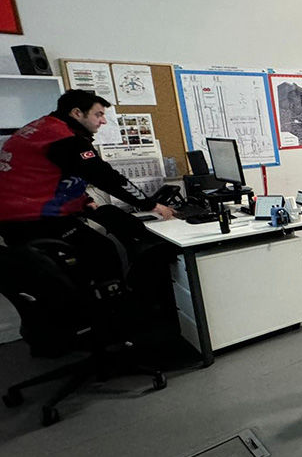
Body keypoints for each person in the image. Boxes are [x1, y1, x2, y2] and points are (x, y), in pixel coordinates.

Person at [0, 90, 177, 323]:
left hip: (16, 218)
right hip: (32, 220)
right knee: (103, 250)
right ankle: (115, 318)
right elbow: (107, 177)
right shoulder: (64, 138)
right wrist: (151, 204)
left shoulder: (41, 128)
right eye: (98, 114)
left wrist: (83, 200)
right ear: (77, 113)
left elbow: (47, 174)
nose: (103, 121)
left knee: (102, 234)